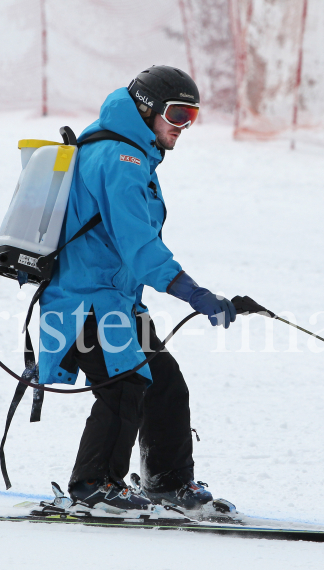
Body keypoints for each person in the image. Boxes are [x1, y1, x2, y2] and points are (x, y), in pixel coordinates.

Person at [37, 66, 237, 512]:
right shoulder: (120, 160)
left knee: (164, 382)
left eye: (192, 117)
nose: (183, 128)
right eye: (177, 114)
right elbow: (139, 246)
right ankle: (93, 485)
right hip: (86, 301)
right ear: (146, 109)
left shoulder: (132, 154)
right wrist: (194, 293)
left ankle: (167, 482)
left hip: (117, 302)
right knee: (125, 384)